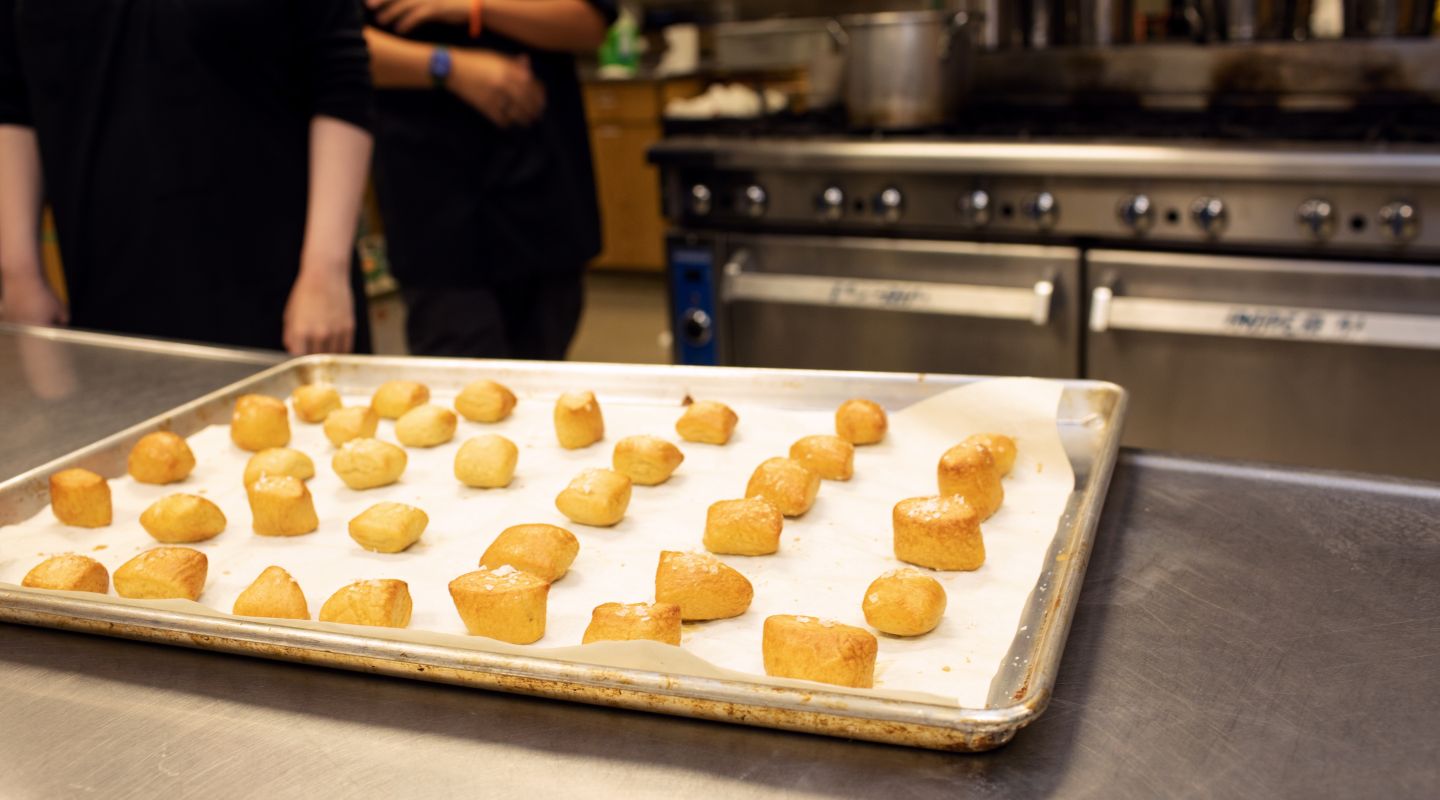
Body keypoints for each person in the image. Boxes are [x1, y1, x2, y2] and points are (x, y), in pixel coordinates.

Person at [0, 0, 375, 355]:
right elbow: (12, 102)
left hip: (285, 294)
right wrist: (19, 274)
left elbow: (340, 82)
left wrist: (325, 269)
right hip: (112, 298)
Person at [362, 0, 614, 359]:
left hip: (544, 201)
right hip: (433, 210)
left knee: (541, 386)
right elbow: (332, 45)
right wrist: (449, 67)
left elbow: (591, 24)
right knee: (460, 384)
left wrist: (472, 7)